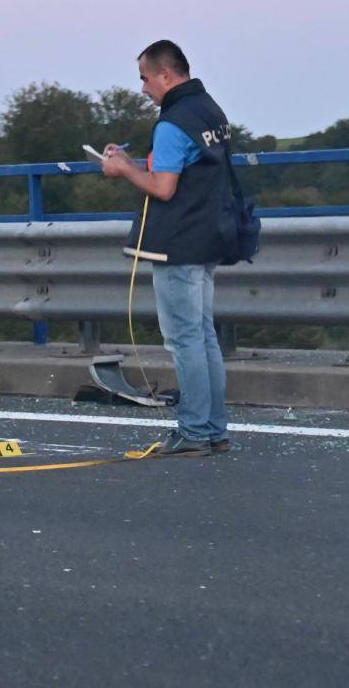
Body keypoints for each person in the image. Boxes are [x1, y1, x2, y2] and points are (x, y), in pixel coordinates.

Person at [100, 40, 232, 457]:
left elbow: (163, 187)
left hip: (176, 242)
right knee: (204, 336)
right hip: (210, 234)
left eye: (144, 78)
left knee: (185, 339)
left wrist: (124, 169)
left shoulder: (172, 122)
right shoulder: (210, 110)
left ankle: (193, 431)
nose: (142, 88)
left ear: (165, 75)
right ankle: (213, 429)